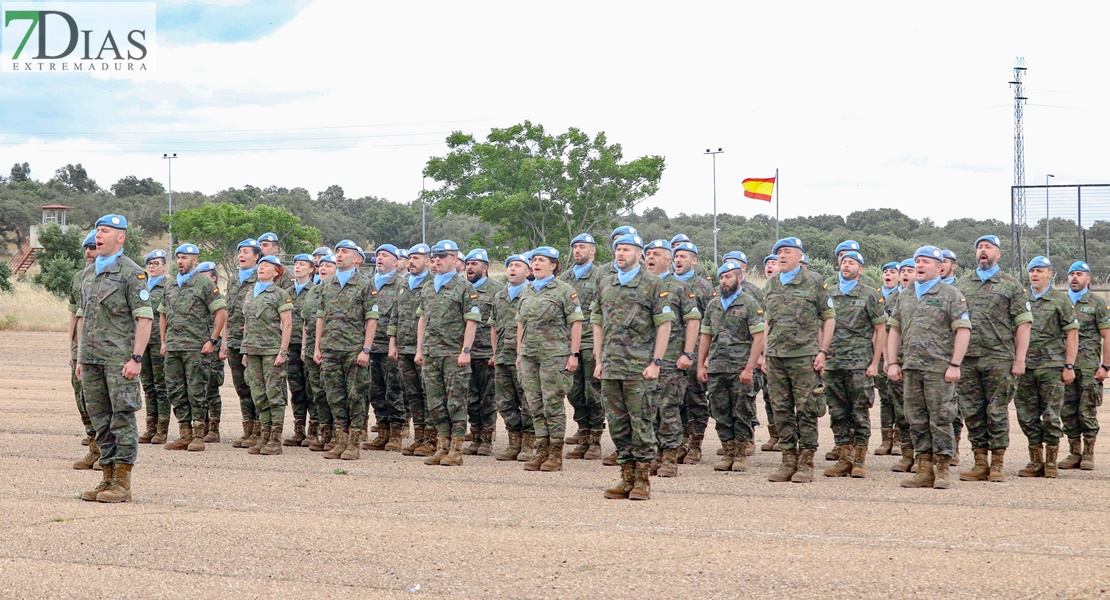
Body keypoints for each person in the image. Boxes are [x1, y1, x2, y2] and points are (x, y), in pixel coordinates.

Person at [76, 214, 153, 503]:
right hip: (92, 360)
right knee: (100, 422)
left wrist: (136, 358)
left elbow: (144, 319)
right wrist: (81, 358)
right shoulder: (88, 274)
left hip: (119, 361)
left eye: (105, 231)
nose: (98, 235)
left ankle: (122, 481)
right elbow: (84, 319)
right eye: (97, 230)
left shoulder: (133, 273)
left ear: (120, 237)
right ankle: (106, 476)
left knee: (121, 419)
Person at [592, 233, 674, 500]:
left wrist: (656, 362)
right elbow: (597, 321)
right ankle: (625, 478)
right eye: (618, 249)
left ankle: (642, 480)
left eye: (626, 250)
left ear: (639, 254)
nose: (620, 254)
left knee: (642, 424)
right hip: (612, 367)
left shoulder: (652, 284)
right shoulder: (606, 282)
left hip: (639, 369)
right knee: (617, 425)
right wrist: (599, 360)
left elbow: (664, 324)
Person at [885, 246, 970, 489]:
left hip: (939, 369)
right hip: (911, 368)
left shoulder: (951, 294)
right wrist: (892, 362)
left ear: (939, 266)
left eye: (926, 262)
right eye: (917, 261)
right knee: (916, 419)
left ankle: (941, 469)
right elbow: (895, 329)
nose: (920, 266)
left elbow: (963, 330)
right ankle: (924, 469)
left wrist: (955, 364)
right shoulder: (905, 295)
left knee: (941, 417)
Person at [955, 235, 1032, 483]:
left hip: (999, 359)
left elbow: (1023, 324)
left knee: (996, 411)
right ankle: (979, 463)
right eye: (979, 247)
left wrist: (1020, 359)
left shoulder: (1011, 285)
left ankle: (997, 463)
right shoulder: (962, 284)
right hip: (968, 360)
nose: (983, 251)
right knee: (972, 412)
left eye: (988, 247)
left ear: (999, 254)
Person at [762, 237, 835, 484]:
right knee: (780, 410)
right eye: (779, 252)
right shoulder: (771, 284)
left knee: (806, 409)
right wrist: (764, 353)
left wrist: (823, 351)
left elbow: (828, 317)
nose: (781, 256)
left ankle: (806, 462)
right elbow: (767, 323)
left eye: (787, 252)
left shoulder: (813, 281)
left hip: (804, 356)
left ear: (799, 256)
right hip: (776, 356)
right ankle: (787, 460)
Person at [517, 246, 583, 472]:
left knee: (552, 403)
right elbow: (520, 323)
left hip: (554, 355)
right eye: (533, 260)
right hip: (529, 355)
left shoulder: (564, 290)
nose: (535, 263)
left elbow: (576, 322)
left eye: (541, 260)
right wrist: (519, 352)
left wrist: (574, 354)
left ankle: (555, 453)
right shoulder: (526, 290)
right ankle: (541, 449)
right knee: (535, 404)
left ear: (553, 265)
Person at [416, 240, 481, 466]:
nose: (436, 261)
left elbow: (471, 322)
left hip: (454, 354)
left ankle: (456, 450)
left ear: (455, 260)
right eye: (434, 258)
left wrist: (466, 351)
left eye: (442, 257)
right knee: (435, 402)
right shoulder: (427, 286)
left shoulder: (464, 287)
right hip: (431, 353)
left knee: (456, 402)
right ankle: (441, 446)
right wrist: (419, 349)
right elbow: (422, 319)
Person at [822, 251, 886, 478]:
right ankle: (843, 458)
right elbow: (821, 325)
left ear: (861, 269)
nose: (846, 265)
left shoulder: (869, 294)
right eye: (843, 262)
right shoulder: (828, 292)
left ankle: (859, 459)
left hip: (859, 363)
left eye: (852, 263)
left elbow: (880, 330)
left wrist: (875, 362)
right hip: (833, 362)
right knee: (838, 413)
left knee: (859, 411)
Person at [1013, 256, 1078, 478]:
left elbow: (1072, 334)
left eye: (1040, 271)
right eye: (1032, 271)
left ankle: (1051, 461)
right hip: (1025, 368)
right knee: (1026, 415)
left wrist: (1069, 365)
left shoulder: (1060, 300)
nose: (1034, 275)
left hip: (1052, 367)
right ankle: (1035, 461)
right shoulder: (1021, 299)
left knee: (1051, 416)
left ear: (1050, 273)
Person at [159, 243, 227, 452]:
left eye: (185, 258)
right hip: (173, 347)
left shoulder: (204, 284)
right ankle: (184, 434)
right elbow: (162, 314)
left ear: (195, 260)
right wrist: (163, 341)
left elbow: (221, 312)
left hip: (196, 348)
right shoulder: (170, 285)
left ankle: (199, 435)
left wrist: (212, 340)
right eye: (178, 257)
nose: (180, 261)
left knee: (197, 390)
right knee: (176, 391)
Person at [698, 262, 765, 472]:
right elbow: (706, 336)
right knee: (720, 411)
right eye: (722, 278)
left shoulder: (749, 303)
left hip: (740, 368)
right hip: (717, 367)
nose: (724, 281)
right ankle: (727, 452)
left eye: (728, 277)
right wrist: (701, 364)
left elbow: (758, 338)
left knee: (742, 411)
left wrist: (749, 368)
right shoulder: (714, 305)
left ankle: (740, 455)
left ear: (739, 278)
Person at [314, 240, 379, 460]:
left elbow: (371, 319)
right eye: (338, 252)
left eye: (345, 252)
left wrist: (366, 349)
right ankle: (340, 441)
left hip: (353, 350)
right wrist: (318, 346)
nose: (339, 255)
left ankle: (353, 443)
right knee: (334, 396)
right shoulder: (328, 284)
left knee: (356, 396)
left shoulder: (365, 283)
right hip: (330, 349)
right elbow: (321, 316)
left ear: (356, 259)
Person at [642, 239, 700, 477]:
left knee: (668, 408)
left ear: (668, 260)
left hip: (670, 360)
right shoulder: (641, 286)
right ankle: (654, 454)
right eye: (648, 254)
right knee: (648, 409)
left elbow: (693, 320)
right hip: (643, 359)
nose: (650, 258)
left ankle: (669, 458)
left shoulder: (679, 287)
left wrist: (687, 353)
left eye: (656, 254)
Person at [559, 233, 605, 460]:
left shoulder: (601, 275)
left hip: (591, 342)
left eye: (582, 247)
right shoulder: (565, 277)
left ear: (593, 251)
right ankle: (583, 434)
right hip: (570, 344)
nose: (577, 251)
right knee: (575, 393)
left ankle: (595, 440)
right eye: (575, 247)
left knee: (593, 393)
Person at [242, 255, 294, 455]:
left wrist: (283, 351)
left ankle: (275, 439)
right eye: (261, 264)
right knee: (258, 394)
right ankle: (264, 436)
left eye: (267, 265)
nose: (262, 267)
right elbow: (247, 322)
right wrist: (245, 349)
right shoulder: (250, 293)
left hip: (272, 351)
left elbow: (287, 324)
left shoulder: (280, 294)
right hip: (253, 350)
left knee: (274, 394)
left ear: (276, 272)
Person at [1060, 261, 1109, 471]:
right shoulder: (1060, 302)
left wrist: (1105, 366)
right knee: (1067, 411)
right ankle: (1074, 452)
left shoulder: (1097, 303)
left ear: (1088, 279)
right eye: (1071, 274)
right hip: (1064, 367)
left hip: (1089, 368)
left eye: (1079, 274)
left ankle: (1088, 453)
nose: (1074, 278)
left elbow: (1107, 336)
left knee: (1086, 411)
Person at [670, 241, 713, 465]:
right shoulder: (666, 283)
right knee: (674, 399)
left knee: (695, 397)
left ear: (694, 260)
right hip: (671, 350)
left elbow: (711, 320)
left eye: (684, 256)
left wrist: (704, 356)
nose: (679, 260)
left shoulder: (703, 286)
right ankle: (680, 441)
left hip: (695, 350)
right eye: (676, 256)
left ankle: (695, 444)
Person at [390, 244, 434, 456]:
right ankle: (419, 436)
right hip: (403, 346)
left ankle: (431, 438)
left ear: (428, 261)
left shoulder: (433, 283)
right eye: (410, 258)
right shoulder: (403, 283)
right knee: (412, 394)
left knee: (428, 393)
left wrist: (423, 347)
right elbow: (394, 314)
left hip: (424, 348)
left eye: (416, 258)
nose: (411, 262)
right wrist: (393, 343)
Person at [490, 254, 534, 461]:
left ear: (528, 271)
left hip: (524, 356)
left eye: (518, 265)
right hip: (502, 356)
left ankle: (528, 443)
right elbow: (493, 325)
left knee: (527, 400)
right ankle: (513, 441)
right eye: (510, 266)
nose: (512, 269)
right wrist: (494, 351)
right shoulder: (499, 296)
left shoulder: (531, 293)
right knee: (504, 402)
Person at [363, 244, 406, 452]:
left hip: (390, 346)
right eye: (378, 255)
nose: (380, 258)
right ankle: (382, 432)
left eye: (385, 255)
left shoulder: (401, 284)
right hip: (370, 346)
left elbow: (402, 317)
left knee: (394, 390)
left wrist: (394, 343)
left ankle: (397, 433)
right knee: (375, 390)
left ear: (395, 262)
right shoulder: (367, 284)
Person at [462, 248, 503, 455]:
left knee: (488, 398)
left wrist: (498, 353)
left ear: (485, 267)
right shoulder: (461, 288)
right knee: (470, 397)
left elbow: (501, 323)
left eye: (474, 264)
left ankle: (486, 439)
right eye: (468, 264)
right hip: (466, 353)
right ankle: (475, 436)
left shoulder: (496, 290)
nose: (470, 267)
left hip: (486, 352)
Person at [223, 238, 263, 448]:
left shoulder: (262, 278)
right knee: (240, 386)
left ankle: (259, 430)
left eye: (246, 251)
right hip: (234, 340)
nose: (241, 255)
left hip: (255, 341)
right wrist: (224, 340)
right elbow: (227, 312)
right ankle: (248, 430)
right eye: (239, 251)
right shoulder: (232, 280)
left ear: (256, 256)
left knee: (254, 385)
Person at [70, 231, 102, 470]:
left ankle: (107, 452)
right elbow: (74, 313)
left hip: (104, 347)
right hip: (80, 347)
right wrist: (71, 348)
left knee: (102, 401)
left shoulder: (117, 275)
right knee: (82, 398)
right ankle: (94, 446)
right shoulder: (79, 278)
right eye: (86, 248)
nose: (88, 252)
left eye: (93, 247)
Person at [283, 254, 316, 446]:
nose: (297, 267)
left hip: (308, 345)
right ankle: (298, 430)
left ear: (311, 269)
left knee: (311, 388)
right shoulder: (286, 292)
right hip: (290, 346)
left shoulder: (315, 291)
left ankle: (314, 430)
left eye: (302, 264)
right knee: (295, 389)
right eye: (295, 264)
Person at [304, 254, 337, 451]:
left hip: (335, 348)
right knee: (317, 393)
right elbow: (307, 322)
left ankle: (338, 434)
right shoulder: (313, 291)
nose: (323, 268)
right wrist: (306, 348)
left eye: (328, 265)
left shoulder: (336, 291)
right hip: (312, 350)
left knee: (334, 393)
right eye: (321, 265)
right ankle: (324, 434)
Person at [138, 249, 170, 447]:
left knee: (161, 386)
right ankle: (150, 427)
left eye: (156, 263)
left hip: (159, 341)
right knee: (148, 386)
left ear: (165, 266)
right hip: (143, 342)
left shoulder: (168, 286)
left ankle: (162, 429)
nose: (152, 266)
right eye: (150, 263)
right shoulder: (142, 286)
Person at [873, 261, 902, 456]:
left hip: (898, 353)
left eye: (892, 272)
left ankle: (899, 440)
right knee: (884, 398)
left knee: (899, 399)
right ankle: (886, 440)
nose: (888, 275)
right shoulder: (876, 295)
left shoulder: (903, 296)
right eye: (885, 272)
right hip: (878, 352)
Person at [197, 261, 226, 442]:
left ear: (213, 278)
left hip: (213, 345)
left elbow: (225, 321)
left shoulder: (218, 298)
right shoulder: (197, 296)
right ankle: (203, 425)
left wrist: (222, 345)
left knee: (212, 386)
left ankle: (214, 428)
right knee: (198, 386)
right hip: (197, 345)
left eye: (204, 275)